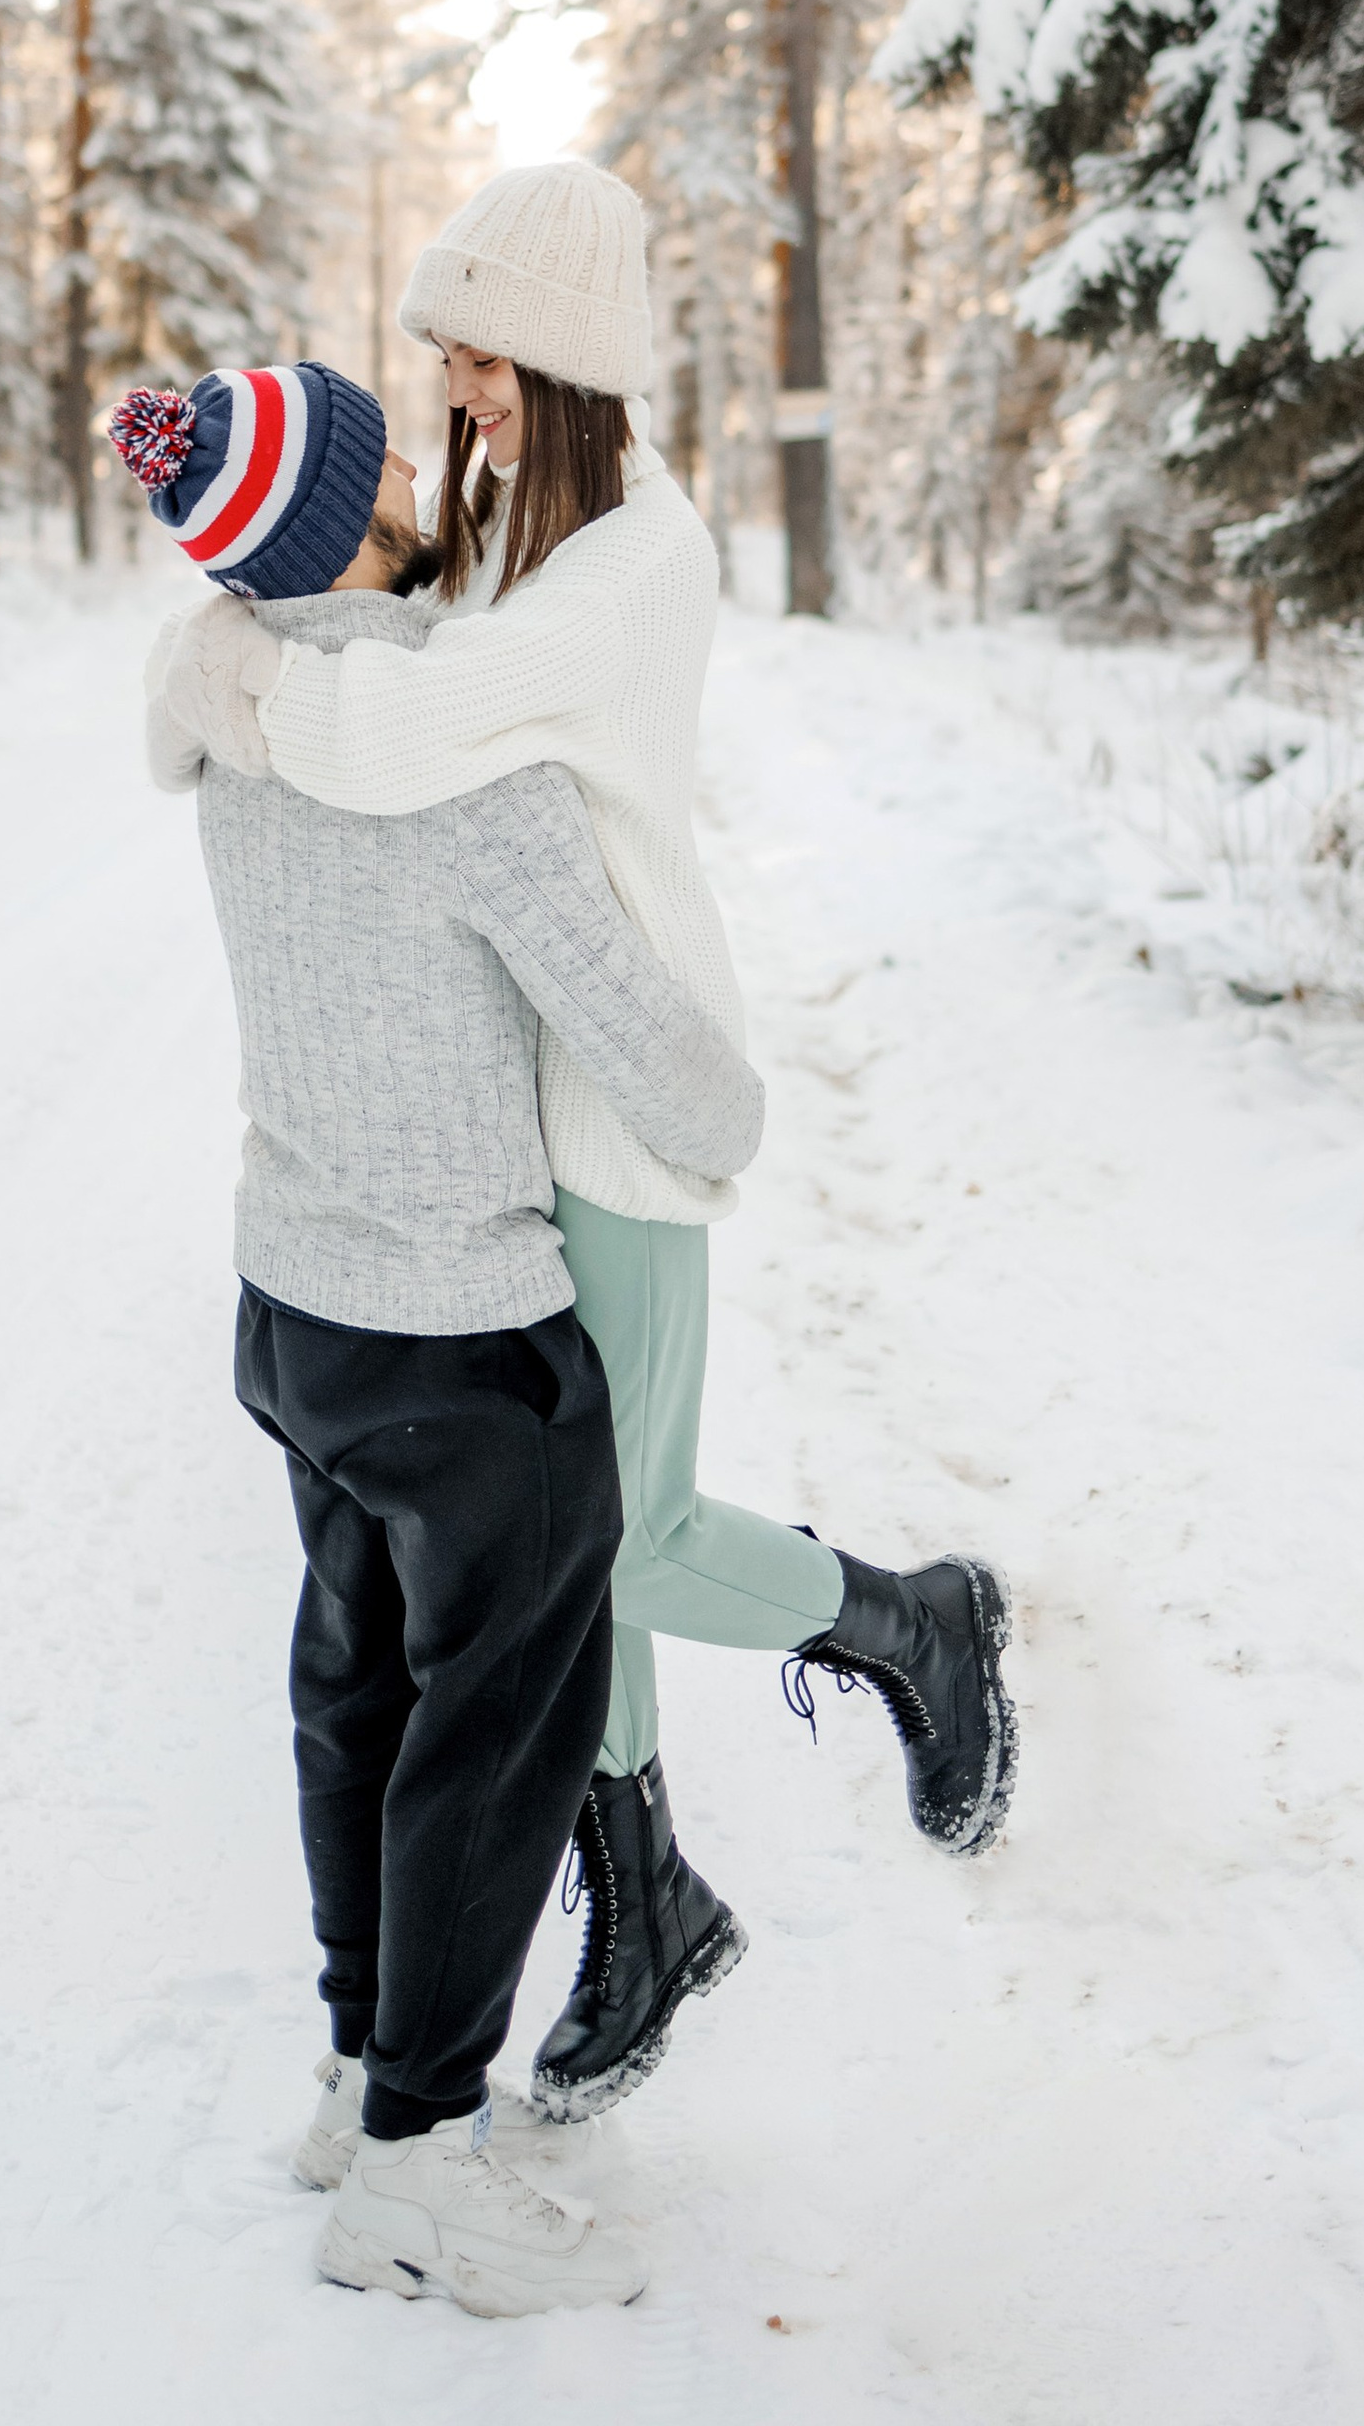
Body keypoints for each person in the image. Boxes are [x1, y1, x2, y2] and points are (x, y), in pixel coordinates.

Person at [156, 169, 1018, 2124]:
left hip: (618, 1110)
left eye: (480, 353)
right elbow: (349, 639)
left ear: (563, 355)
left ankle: (909, 1624)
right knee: (558, 1561)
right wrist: (223, 636)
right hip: (498, 1119)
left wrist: (223, 667)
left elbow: (392, 737)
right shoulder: (494, 521)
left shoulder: (631, 565)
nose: (453, 389)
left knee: (621, 1541)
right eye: (444, 353)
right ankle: (645, 1899)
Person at [117, 354, 769, 2316]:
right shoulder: (444, 753)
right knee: (491, 1744)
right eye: (380, 455)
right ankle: (413, 2170)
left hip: (297, 1314)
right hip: (462, 1341)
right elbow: (631, 1022)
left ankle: (356, 2078)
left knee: (358, 1698)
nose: (418, 462)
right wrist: (727, 1118)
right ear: (346, 522)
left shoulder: (232, 706)